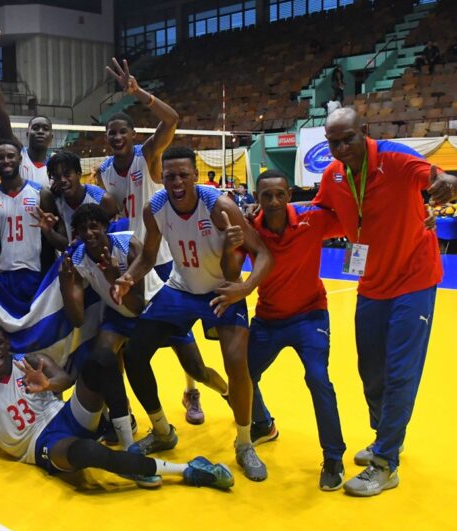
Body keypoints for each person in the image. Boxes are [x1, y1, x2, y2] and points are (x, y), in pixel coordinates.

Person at [314, 108, 456, 496]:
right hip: (372, 284)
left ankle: (385, 462)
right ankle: (385, 438)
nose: (342, 148)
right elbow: (322, 214)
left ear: (364, 132)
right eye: (333, 142)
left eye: (348, 139)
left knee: (399, 372)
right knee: (371, 372)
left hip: (415, 279)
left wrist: (446, 182)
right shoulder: (333, 176)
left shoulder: (394, 158)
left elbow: (435, 178)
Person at [113, 145, 274, 482]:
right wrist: (129, 278)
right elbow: (148, 256)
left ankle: (245, 443)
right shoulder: (154, 208)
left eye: (183, 175)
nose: (176, 181)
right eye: (169, 176)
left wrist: (245, 289)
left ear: (196, 176)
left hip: (222, 290)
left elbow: (263, 254)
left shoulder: (220, 206)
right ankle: (161, 430)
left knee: (235, 361)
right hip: (181, 289)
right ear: (162, 178)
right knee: (135, 350)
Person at [0, 323, 235, 491]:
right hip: (41, 443)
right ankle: (186, 469)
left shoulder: (29, 361)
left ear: (7, 345)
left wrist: (49, 385)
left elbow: (65, 380)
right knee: (88, 451)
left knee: (102, 357)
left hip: (65, 415)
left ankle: (128, 445)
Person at [60, 203, 229, 449]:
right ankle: (124, 415)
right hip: (119, 316)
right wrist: (66, 285)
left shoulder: (129, 245)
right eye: (83, 229)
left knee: (196, 369)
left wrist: (111, 278)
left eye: (94, 226)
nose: (89, 233)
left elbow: (137, 305)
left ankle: (227, 393)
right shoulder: (77, 259)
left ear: (105, 227)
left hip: (157, 309)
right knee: (103, 358)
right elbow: (77, 319)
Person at [96, 58, 207, 423]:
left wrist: (137, 92)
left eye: (122, 132)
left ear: (132, 135)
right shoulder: (103, 171)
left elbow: (171, 120)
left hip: (160, 258)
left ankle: (191, 393)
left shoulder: (149, 156)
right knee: (129, 340)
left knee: (177, 334)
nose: (116, 138)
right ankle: (130, 405)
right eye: (111, 133)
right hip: (130, 262)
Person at [229, 170, 347, 490]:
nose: (274, 201)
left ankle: (334, 456)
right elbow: (229, 262)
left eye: (280, 194)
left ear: (289, 194)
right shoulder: (250, 229)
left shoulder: (313, 219)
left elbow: (354, 220)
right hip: (268, 319)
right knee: (242, 375)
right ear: (257, 198)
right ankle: (264, 424)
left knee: (317, 377)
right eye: (266, 195)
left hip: (310, 317)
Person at [0, 138, 68, 302]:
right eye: (0, 157)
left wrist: (49, 231)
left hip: (35, 274)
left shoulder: (41, 194)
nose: (6, 161)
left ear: (20, 159)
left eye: (10, 156)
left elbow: (63, 242)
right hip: (2, 274)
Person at [0, 31, 52, 188]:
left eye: (45, 128)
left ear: (51, 137)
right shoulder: (19, 155)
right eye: (35, 127)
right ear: (27, 133)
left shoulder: (56, 166)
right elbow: (1, 114)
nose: (40, 131)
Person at [47, 151, 119, 241]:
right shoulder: (56, 201)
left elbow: (117, 238)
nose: (62, 180)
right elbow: (67, 245)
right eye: (57, 176)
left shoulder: (103, 199)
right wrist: (48, 231)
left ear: (79, 173)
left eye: (67, 174)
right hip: (75, 254)